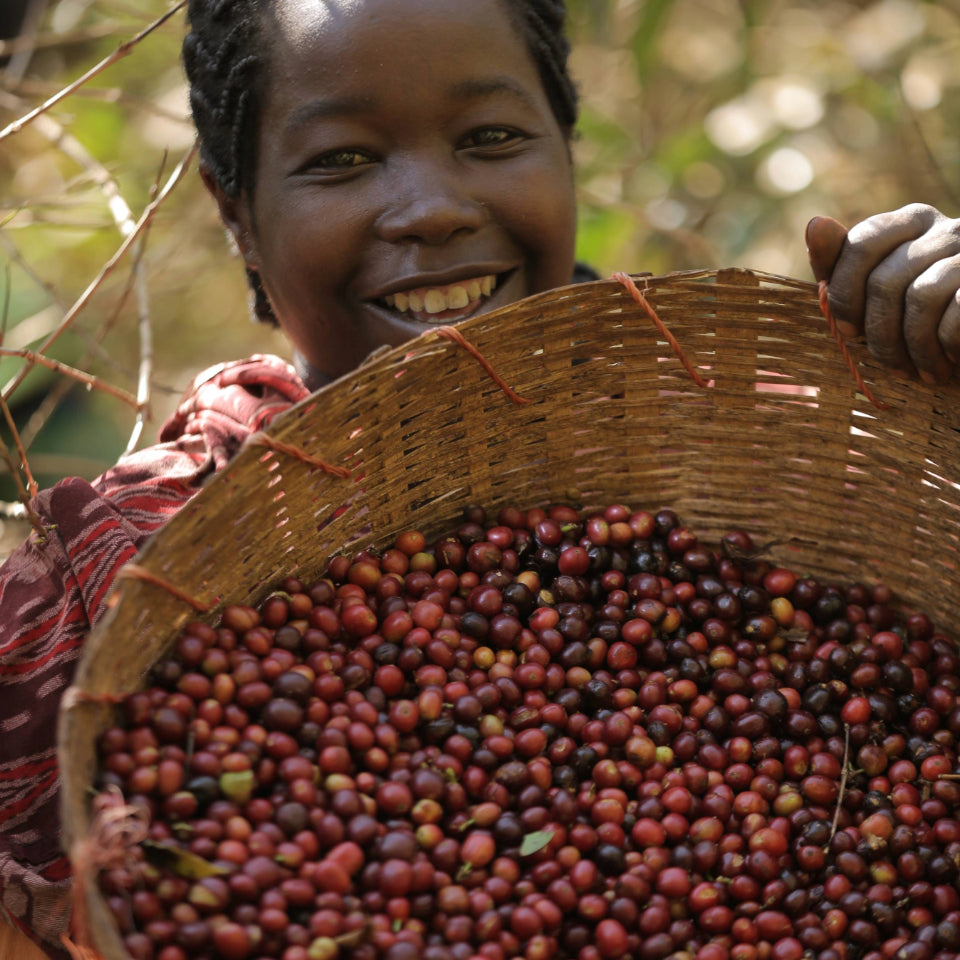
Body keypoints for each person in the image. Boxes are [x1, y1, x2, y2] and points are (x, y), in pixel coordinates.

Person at [0, 0, 957, 956]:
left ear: (567, 151)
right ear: (237, 213)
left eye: (492, 136)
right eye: (342, 156)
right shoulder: (122, 560)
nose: (434, 208)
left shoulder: (785, 435)